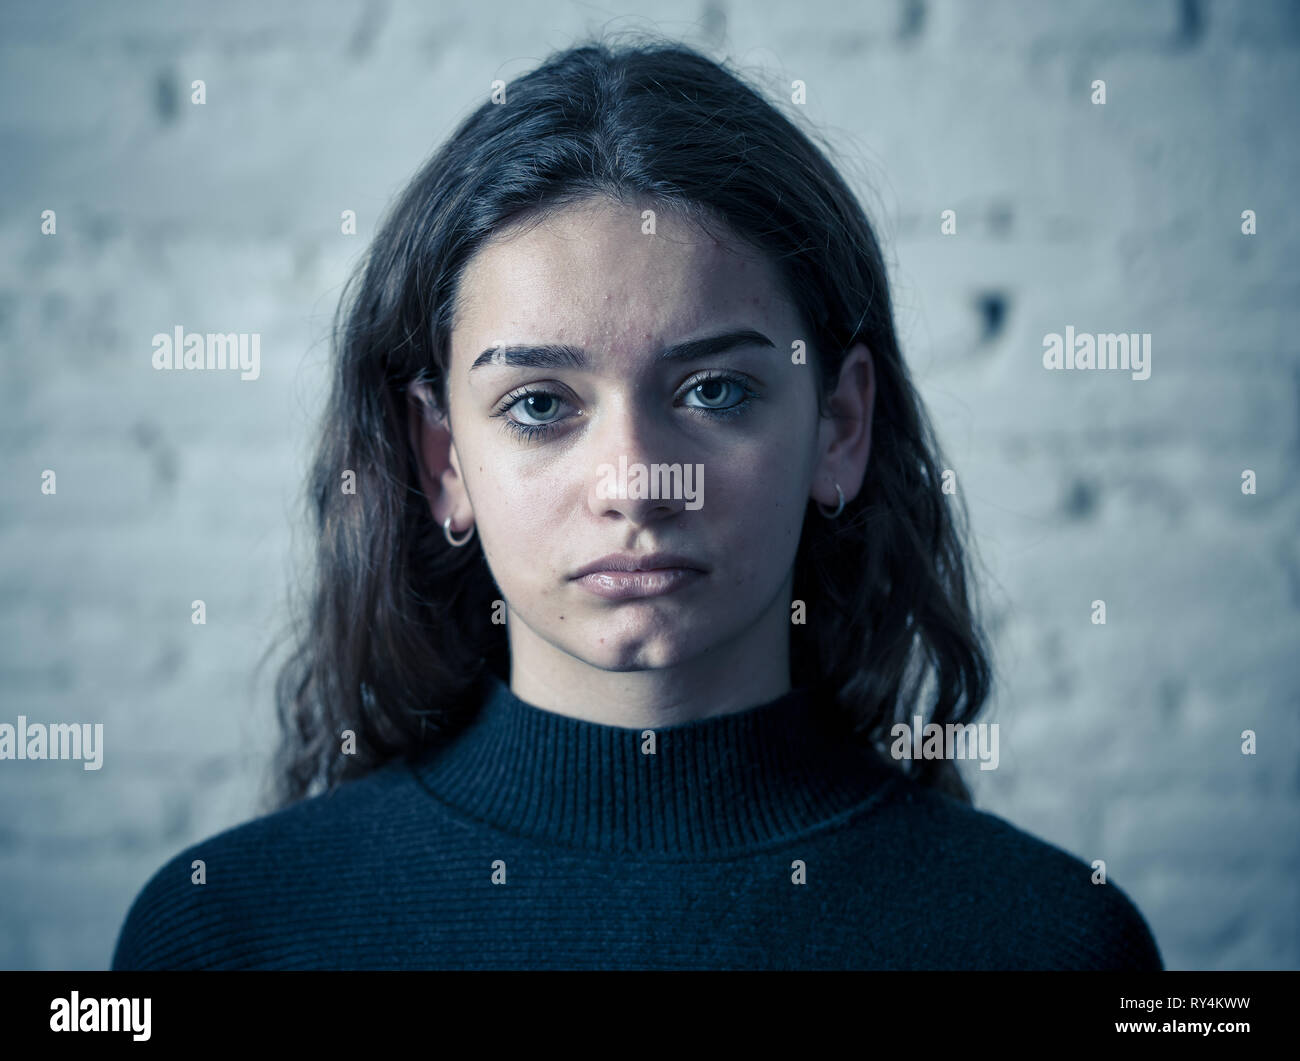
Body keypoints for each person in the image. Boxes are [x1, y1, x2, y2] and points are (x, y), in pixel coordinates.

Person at [111, 35, 1162, 970]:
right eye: (537, 404)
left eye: (714, 390)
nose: (632, 484)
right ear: (442, 459)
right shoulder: (228, 935)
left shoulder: (1055, 942)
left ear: (838, 427)